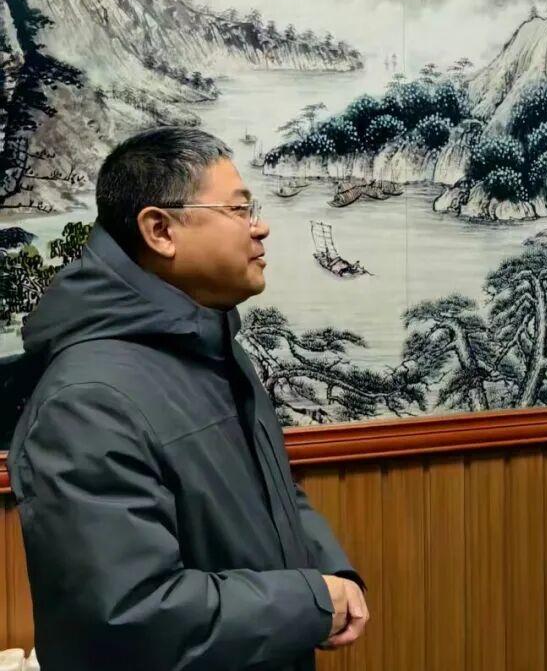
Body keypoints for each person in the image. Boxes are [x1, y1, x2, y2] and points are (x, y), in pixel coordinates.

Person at [7, 127, 368, 670]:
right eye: (239, 210)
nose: (260, 226)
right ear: (160, 231)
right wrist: (309, 601)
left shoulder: (211, 343)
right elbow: (131, 612)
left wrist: (329, 570)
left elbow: (271, 491)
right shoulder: (86, 401)